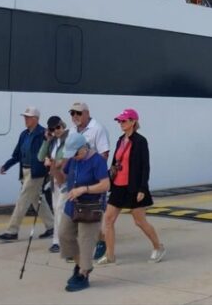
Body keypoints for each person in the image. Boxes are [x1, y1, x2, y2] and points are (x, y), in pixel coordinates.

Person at [96, 108, 165, 265]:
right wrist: (108, 179)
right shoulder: (120, 140)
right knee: (108, 219)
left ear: (133, 122)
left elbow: (145, 166)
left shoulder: (140, 141)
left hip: (133, 187)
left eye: (124, 121)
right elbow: (115, 163)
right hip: (118, 186)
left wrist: (142, 188)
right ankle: (110, 255)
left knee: (139, 221)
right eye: (119, 121)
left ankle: (158, 247)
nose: (121, 123)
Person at [58, 132, 110, 292]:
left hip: (90, 206)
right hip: (72, 204)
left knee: (86, 240)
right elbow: (62, 177)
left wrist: (84, 189)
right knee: (64, 234)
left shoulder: (97, 161)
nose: (73, 157)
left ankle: (83, 273)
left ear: (84, 148)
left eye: (75, 153)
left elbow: (105, 185)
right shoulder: (73, 160)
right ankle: (80, 264)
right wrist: (53, 168)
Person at [0, 107, 54, 241]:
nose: (25, 119)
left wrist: (48, 171)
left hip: (36, 173)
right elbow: (17, 155)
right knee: (37, 200)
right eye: (25, 117)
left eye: (28, 117)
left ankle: (12, 231)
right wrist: (6, 165)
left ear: (35, 119)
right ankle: (51, 226)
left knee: (22, 200)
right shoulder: (24, 134)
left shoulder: (43, 134)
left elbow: (48, 152)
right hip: (25, 171)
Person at [69, 101, 111, 260]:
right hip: (76, 179)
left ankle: (102, 242)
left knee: (96, 213)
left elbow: (104, 154)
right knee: (78, 213)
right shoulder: (72, 130)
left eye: (78, 113)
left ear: (87, 113)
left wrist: (93, 174)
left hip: (94, 179)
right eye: (72, 113)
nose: (75, 116)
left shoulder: (97, 129)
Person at [38, 115, 70, 253]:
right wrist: (47, 140)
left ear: (63, 125)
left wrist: (53, 162)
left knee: (59, 209)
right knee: (57, 210)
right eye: (52, 129)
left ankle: (61, 241)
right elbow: (40, 157)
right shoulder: (53, 142)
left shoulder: (69, 139)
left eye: (58, 127)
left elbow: (67, 159)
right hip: (54, 180)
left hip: (65, 180)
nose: (56, 130)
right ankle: (57, 241)